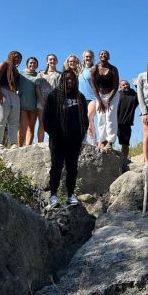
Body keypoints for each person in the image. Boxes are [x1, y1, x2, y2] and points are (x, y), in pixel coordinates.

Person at [43, 69, 88, 208]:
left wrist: (80, 136)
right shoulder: (53, 96)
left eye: (72, 79)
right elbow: (46, 119)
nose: (70, 81)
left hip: (74, 140)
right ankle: (53, 196)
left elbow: (85, 120)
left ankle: (70, 195)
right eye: (67, 79)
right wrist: (54, 134)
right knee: (56, 167)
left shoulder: (80, 97)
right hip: (58, 139)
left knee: (72, 168)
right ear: (62, 80)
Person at [90, 50, 120, 150]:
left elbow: (116, 86)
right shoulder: (95, 68)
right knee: (101, 118)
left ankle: (110, 141)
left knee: (110, 118)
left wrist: (108, 100)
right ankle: (102, 140)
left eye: (105, 54)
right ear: (99, 56)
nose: (103, 55)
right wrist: (99, 100)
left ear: (108, 57)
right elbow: (93, 86)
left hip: (112, 95)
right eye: (101, 54)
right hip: (100, 96)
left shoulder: (113, 69)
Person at [0, 50, 22, 150]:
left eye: (19, 57)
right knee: (1, 118)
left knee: (14, 120)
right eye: (15, 56)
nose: (17, 58)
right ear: (10, 56)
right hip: (3, 90)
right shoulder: (4, 64)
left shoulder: (16, 70)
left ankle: (13, 143)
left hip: (13, 93)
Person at [35, 54, 61, 143]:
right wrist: (42, 100)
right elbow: (37, 87)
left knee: (53, 124)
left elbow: (60, 89)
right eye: (50, 59)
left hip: (54, 102)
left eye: (54, 59)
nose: (52, 61)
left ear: (57, 61)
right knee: (42, 123)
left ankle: (52, 143)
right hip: (41, 102)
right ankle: (40, 143)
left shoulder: (59, 75)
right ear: (47, 61)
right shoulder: (41, 74)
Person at [117, 79, 139, 167]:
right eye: (123, 85)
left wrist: (137, 86)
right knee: (109, 140)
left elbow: (142, 96)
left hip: (126, 123)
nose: (126, 86)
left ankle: (124, 161)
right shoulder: (118, 94)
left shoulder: (134, 95)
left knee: (125, 144)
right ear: (120, 86)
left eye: (127, 84)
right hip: (115, 122)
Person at [17, 56, 39, 146]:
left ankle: (28, 147)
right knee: (23, 127)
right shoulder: (20, 73)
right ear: (27, 64)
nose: (32, 64)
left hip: (34, 105)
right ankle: (19, 147)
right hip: (23, 104)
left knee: (31, 128)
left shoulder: (39, 75)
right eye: (30, 63)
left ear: (37, 65)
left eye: (34, 63)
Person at [78, 50, 97, 144]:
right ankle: (83, 141)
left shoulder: (95, 69)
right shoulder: (80, 70)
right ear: (83, 58)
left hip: (93, 98)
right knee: (82, 120)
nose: (88, 58)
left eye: (90, 56)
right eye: (86, 56)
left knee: (89, 118)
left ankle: (94, 142)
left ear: (93, 58)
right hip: (81, 98)